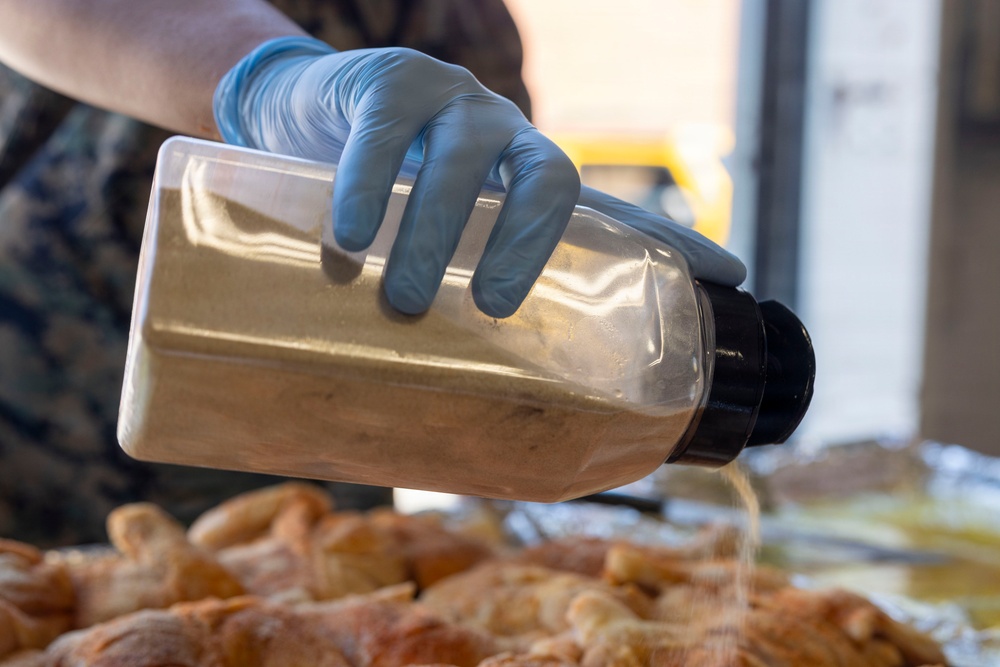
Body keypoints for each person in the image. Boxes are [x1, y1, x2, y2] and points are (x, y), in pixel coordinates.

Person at [0, 0, 745, 546]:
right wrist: (264, 78)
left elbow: (475, 282)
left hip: (298, 515)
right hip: (29, 436)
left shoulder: (454, 22)